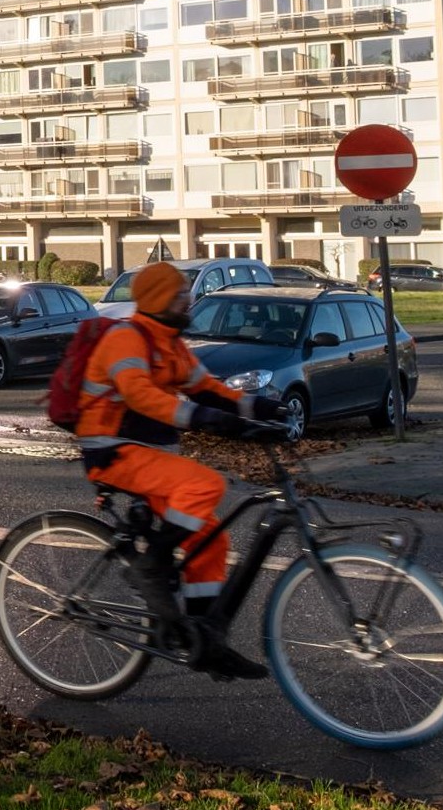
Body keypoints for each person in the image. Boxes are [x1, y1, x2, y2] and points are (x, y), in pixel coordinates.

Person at [76, 260, 281, 681]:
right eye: (180, 296)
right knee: (205, 483)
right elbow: (139, 394)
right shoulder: (125, 339)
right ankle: (153, 564)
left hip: (150, 453)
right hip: (112, 449)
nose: (189, 301)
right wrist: (200, 417)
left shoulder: (170, 344)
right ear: (157, 300)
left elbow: (209, 388)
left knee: (212, 540)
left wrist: (257, 407)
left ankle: (205, 640)